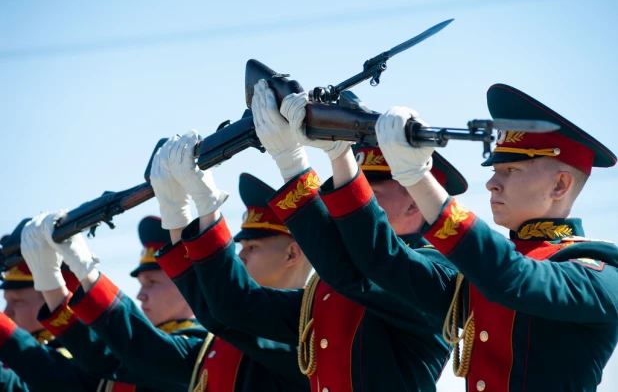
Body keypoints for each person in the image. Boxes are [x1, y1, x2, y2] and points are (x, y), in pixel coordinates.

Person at [158, 79, 467, 391]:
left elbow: (366, 268)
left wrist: (297, 164)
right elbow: (231, 308)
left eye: (369, 194)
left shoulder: (439, 272)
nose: (355, 202)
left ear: (415, 202)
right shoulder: (328, 291)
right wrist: (192, 214)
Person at [330, 83, 618, 391]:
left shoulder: (601, 270)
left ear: (560, 186)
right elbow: (379, 260)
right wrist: (334, 157)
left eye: (511, 170)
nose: (493, 183)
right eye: (495, 170)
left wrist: (415, 176)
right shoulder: (487, 267)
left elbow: (513, 278)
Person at [148, 135, 312, 391]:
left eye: (252, 247)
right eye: (242, 247)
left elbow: (228, 308)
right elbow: (218, 305)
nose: (240, 256)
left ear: (292, 254)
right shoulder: (233, 322)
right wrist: (175, 210)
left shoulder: (308, 330)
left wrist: (205, 207)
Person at [22, 215, 206, 392]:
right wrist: (49, 281)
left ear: (184, 284)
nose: (140, 295)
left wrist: (86, 272)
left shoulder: (202, 346)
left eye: (152, 282)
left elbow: (139, 350)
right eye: (141, 284)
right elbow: (96, 358)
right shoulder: (133, 348)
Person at [0, 233, 100, 391]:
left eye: (17, 301)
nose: (6, 312)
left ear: (49, 302)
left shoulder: (77, 358)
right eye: (6, 301)